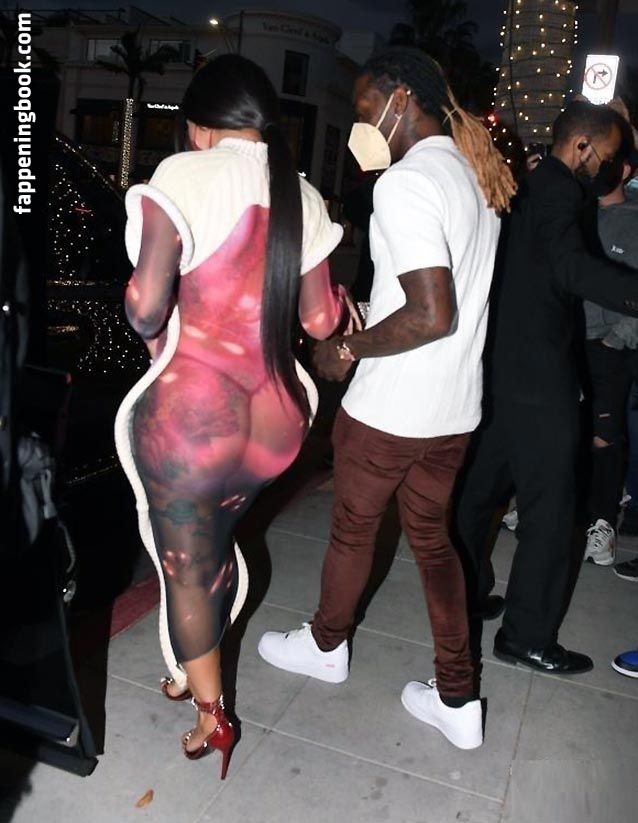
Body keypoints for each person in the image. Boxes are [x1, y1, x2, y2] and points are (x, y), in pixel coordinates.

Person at [258, 48, 516, 751]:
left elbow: (432, 311)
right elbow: (439, 297)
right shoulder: (473, 174)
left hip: (391, 409)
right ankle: (458, 696)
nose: (361, 123)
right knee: (434, 541)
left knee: (353, 530)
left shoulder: (405, 183)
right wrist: (371, 312)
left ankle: (326, 645)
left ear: (402, 100)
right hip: (452, 409)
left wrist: (346, 349)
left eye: (366, 108)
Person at [114, 55, 354, 778]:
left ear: (199, 127)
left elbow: (145, 308)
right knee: (212, 548)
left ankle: (212, 715)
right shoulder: (301, 193)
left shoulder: (184, 175)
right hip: (277, 420)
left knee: (189, 566)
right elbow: (320, 320)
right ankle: (191, 664)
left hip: (194, 421)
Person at [454, 101, 638, 676]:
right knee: (553, 513)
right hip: (539, 379)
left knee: (476, 496)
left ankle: (464, 596)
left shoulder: (526, 186)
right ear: (582, 147)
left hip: (501, 370)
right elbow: (570, 268)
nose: (614, 169)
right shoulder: (559, 190)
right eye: (609, 156)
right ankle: (527, 636)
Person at [582, 124, 638, 567]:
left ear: (625, 170)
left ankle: (602, 522)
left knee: (604, 436)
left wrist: (616, 339)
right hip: (568, 341)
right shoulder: (577, 213)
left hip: (609, 348)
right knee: (567, 429)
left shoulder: (633, 220)